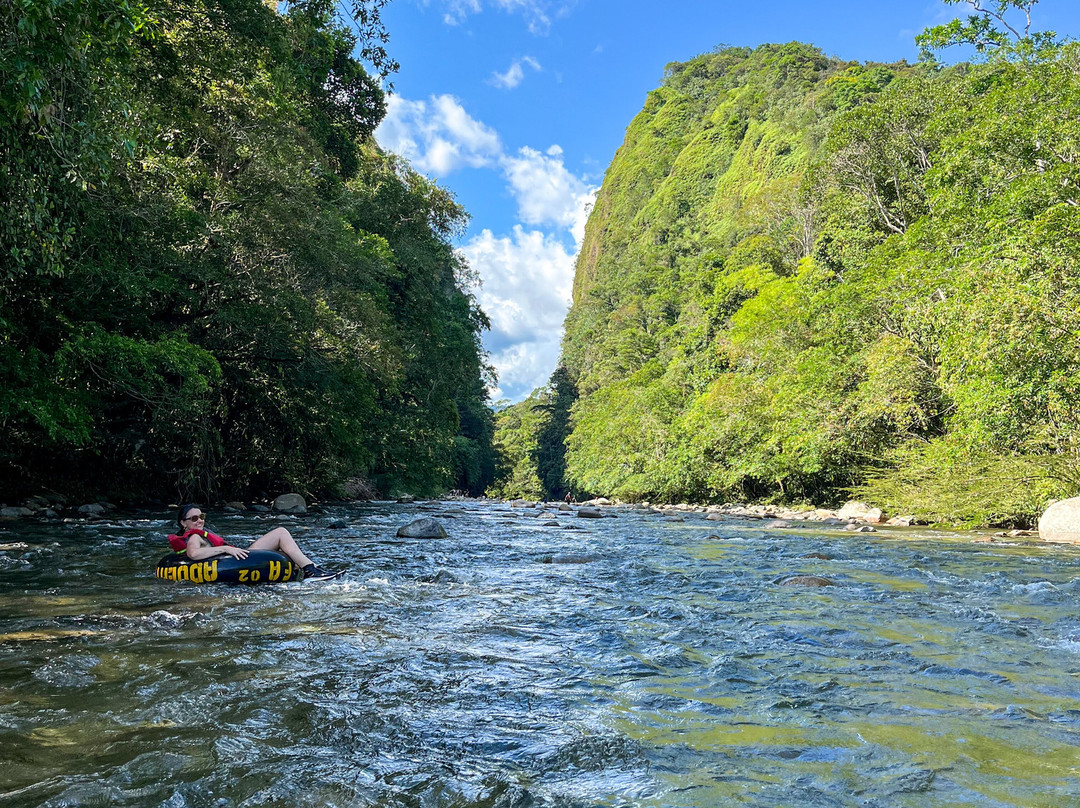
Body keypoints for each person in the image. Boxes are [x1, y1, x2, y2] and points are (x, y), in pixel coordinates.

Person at [168, 504, 338, 581]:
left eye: (202, 516)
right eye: (194, 518)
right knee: (281, 533)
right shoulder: (194, 537)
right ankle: (310, 571)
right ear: (184, 523)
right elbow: (194, 554)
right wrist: (227, 549)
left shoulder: (199, 533)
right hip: (239, 562)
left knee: (283, 543)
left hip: (238, 559)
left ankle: (313, 569)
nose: (200, 521)